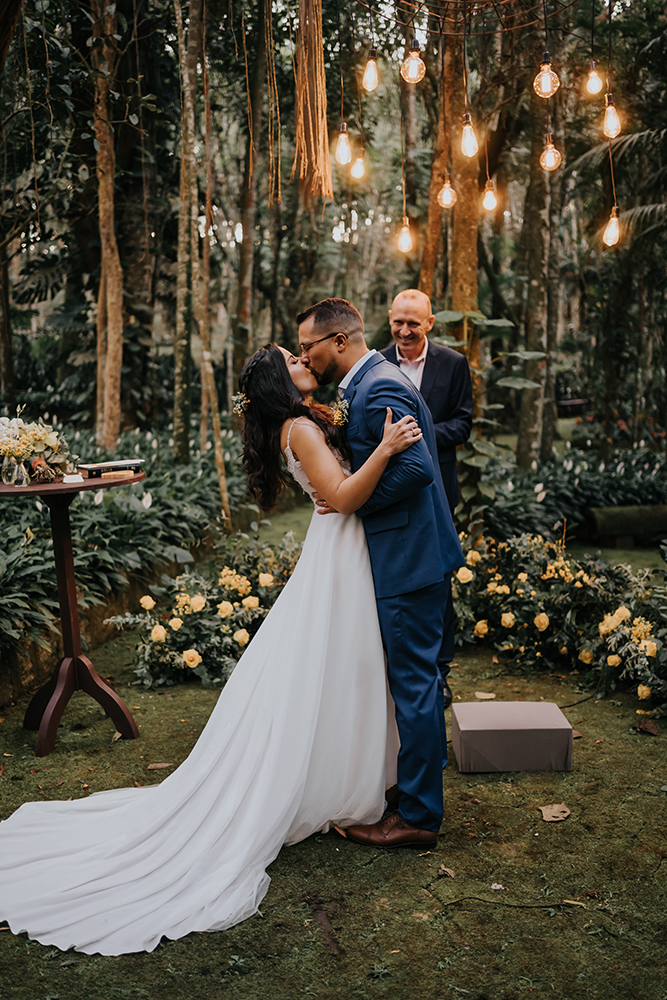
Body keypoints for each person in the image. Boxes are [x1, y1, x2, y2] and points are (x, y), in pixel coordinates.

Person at [0, 343, 421, 956]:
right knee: (333, 667)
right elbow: (346, 496)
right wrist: (384, 450)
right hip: (339, 552)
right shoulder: (299, 428)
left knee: (341, 670)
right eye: (292, 357)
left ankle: (345, 777)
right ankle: (335, 782)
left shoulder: (304, 419)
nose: (303, 358)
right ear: (283, 378)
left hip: (340, 552)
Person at [297, 297, 464, 849]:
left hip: (409, 558)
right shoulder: (366, 384)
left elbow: (416, 467)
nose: (305, 356)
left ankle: (417, 816)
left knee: (415, 686)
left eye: (309, 347)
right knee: (411, 683)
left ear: (339, 341)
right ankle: (407, 791)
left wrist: (351, 501)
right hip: (407, 554)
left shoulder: (379, 387)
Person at [380, 289, 473, 707]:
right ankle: (394, 664)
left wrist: (414, 439)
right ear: (389, 319)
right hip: (389, 489)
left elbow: (463, 424)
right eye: (398, 322)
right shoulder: (378, 363)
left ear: (430, 324)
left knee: (438, 576)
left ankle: (441, 670)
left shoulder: (452, 364)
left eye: (413, 323)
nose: (404, 330)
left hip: (439, 488)